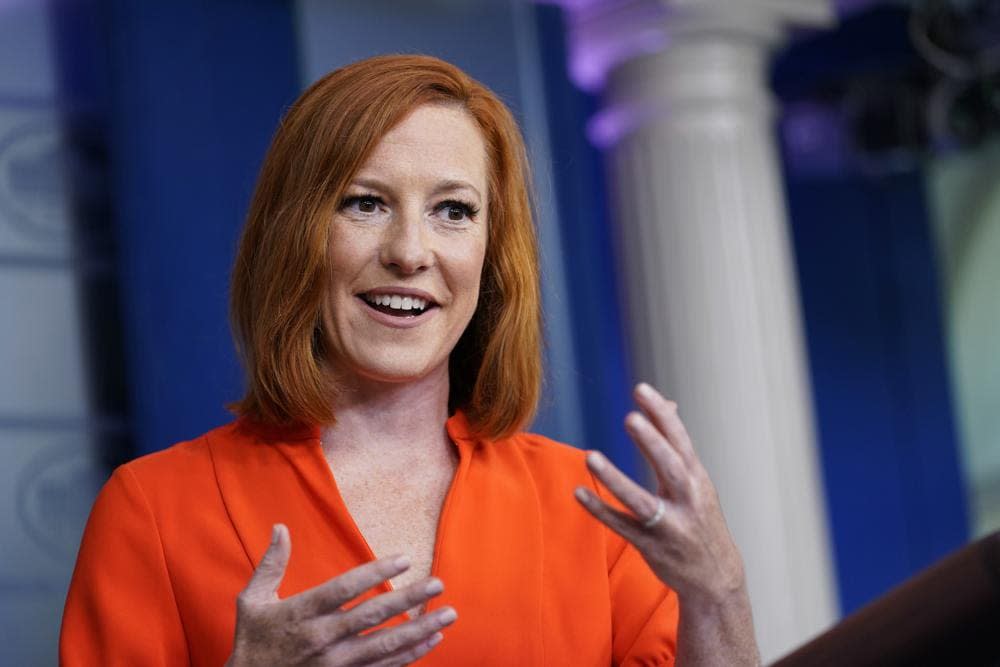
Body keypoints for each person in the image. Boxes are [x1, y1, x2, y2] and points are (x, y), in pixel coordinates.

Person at [60, 54, 759, 666]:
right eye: (365, 203)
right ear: (293, 234)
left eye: (453, 211)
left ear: (492, 255)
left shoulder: (588, 512)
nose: (411, 251)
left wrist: (720, 592)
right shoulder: (152, 509)